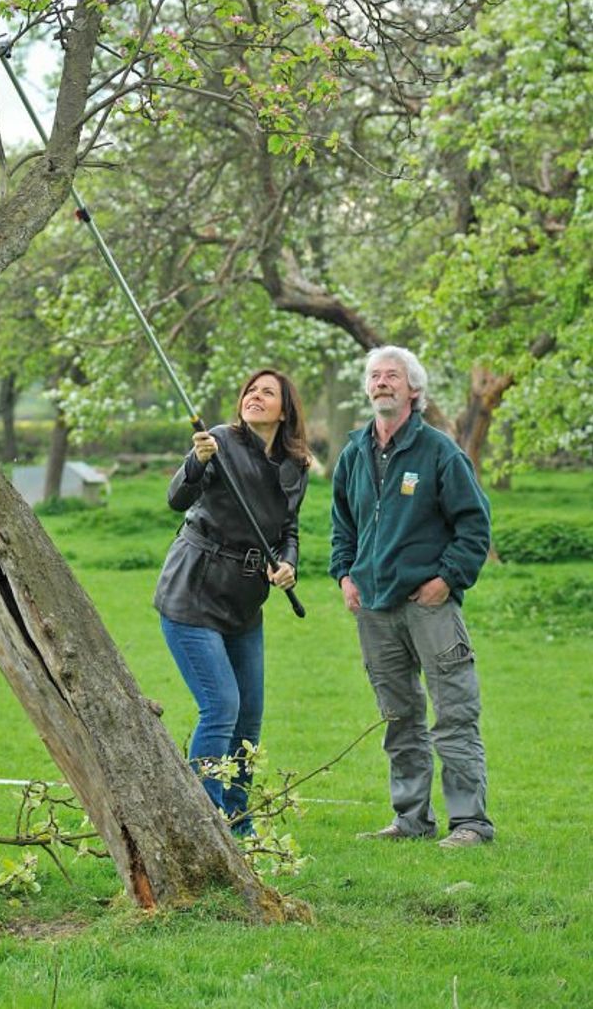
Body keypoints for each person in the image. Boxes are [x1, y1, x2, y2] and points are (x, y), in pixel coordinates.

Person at [330, 345, 494, 848]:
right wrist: (344, 575)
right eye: (375, 376)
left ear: (413, 390)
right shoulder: (354, 452)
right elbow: (342, 525)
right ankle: (411, 820)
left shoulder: (439, 451)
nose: (382, 383)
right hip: (374, 609)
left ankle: (470, 823)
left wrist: (447, 578)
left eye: (393, 376)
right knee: (399, 718)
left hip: (429, 606)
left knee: (454, 714)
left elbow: (474, 525)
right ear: (367, 389)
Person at [154, 368, 311, 833]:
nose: (255, 397)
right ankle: (206, 823)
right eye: (250, 391)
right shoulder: (217, 441)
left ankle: (237, 824)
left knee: (248, 717)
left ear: (285, 411)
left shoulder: (296, 466)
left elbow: (288, 531)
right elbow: (176, 499)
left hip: (245, 603)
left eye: (267, 393)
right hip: (193, 592)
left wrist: (288, 563)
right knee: (221, 705)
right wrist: (197, 462)